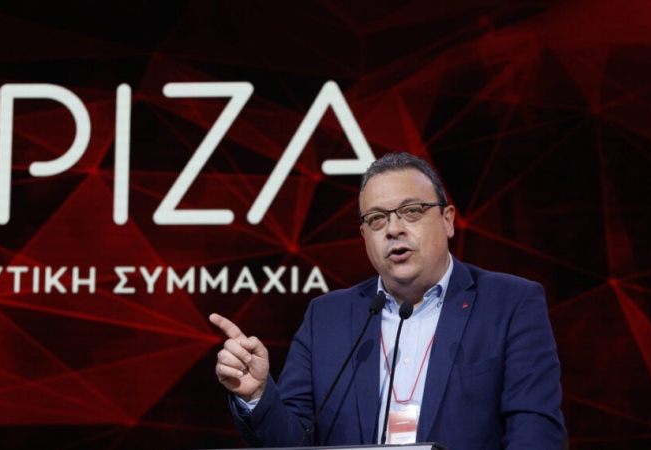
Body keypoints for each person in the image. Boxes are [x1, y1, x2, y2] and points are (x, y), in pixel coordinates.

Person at [210, 152, 566, 449]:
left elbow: (536, 433)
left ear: (447, 221)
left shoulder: (510, 303)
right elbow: (294, 443)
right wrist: (257, 395)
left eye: (411, 211)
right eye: (377, 219)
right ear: (364, 235)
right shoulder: (326, 317)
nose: (394, 229)